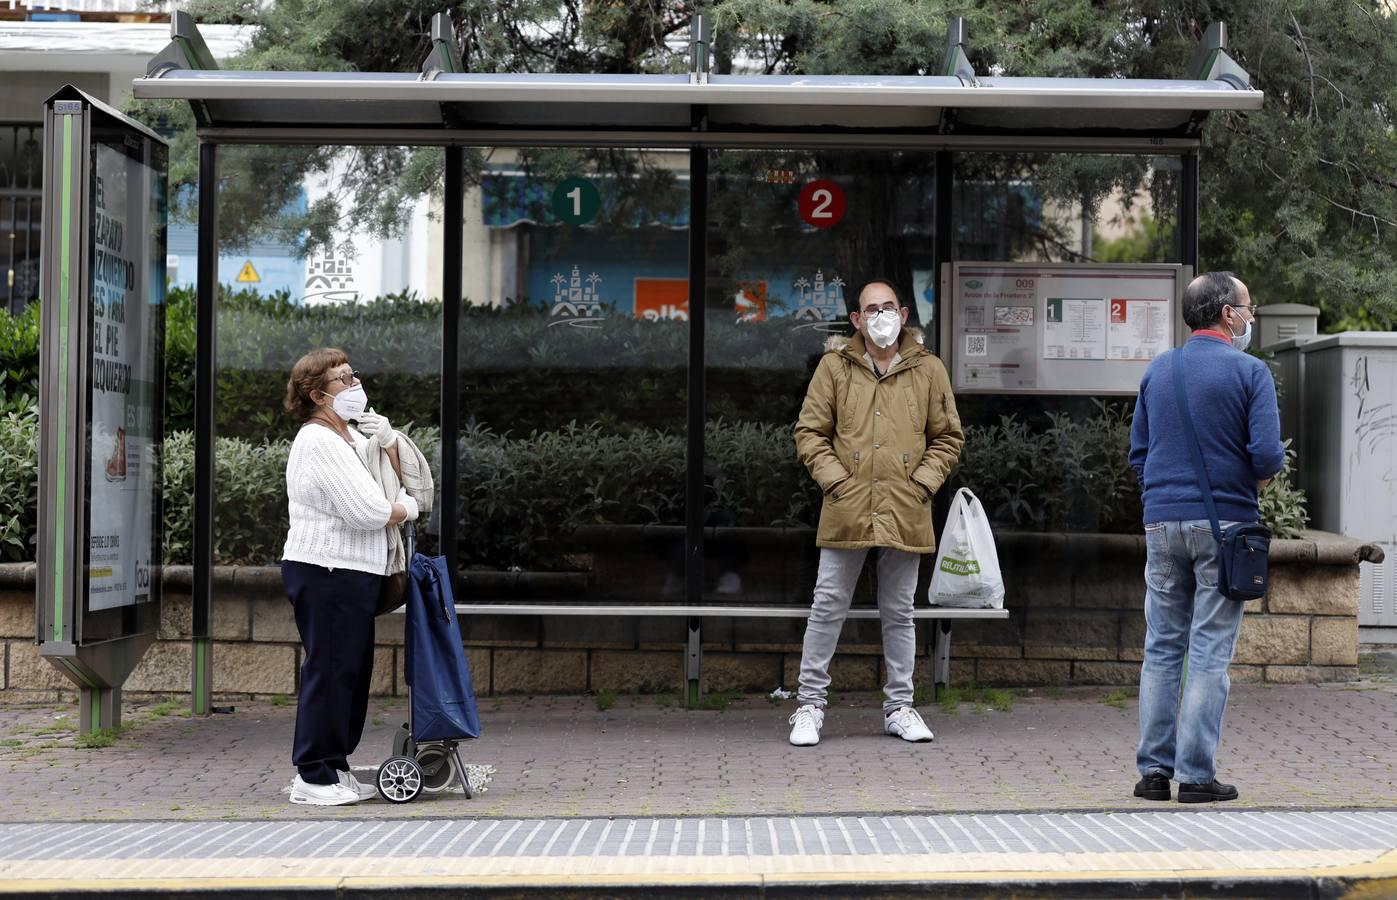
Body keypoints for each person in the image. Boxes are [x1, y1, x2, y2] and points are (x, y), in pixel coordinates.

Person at [788, 278, 964, 746]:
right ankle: (809, 706)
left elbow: (948, 437)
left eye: (889, 307)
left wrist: (921, 485)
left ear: (904, 315)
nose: (881, 316)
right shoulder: (834, 367)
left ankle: (900, 707)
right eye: (871, 309)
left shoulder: (928, 370)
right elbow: (809, 432)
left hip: (905, 509)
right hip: (847, 509)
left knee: (900, 613)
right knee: (827, 606)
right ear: (856, 320)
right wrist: (838, 482)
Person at [1128, 272, 1284, 804]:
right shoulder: (1250, 372)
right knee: (1210, 649)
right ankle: (1196, 776)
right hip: (1225, 527)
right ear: (1226, 315)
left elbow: (1139, 455)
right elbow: (1266, 457)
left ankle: (1152, 773)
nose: (1251, 317)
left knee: (1163, 645)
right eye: (1248, 308)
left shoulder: (1158, 369)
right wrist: (1246, 483)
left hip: (1161, 522)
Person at [281, 349, 419, 806]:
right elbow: (369, 510)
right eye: (341, 380)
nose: (353, 384)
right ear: (318, 396)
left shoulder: (350, 439)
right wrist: (406, 510)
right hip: (326, 570)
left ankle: (334, 765)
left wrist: (389, 440)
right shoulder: (318, 441)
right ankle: (313, 775)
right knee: (331, 668)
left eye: (352, 374)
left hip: (351, 571)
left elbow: (401, 475)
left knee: (351, 672)